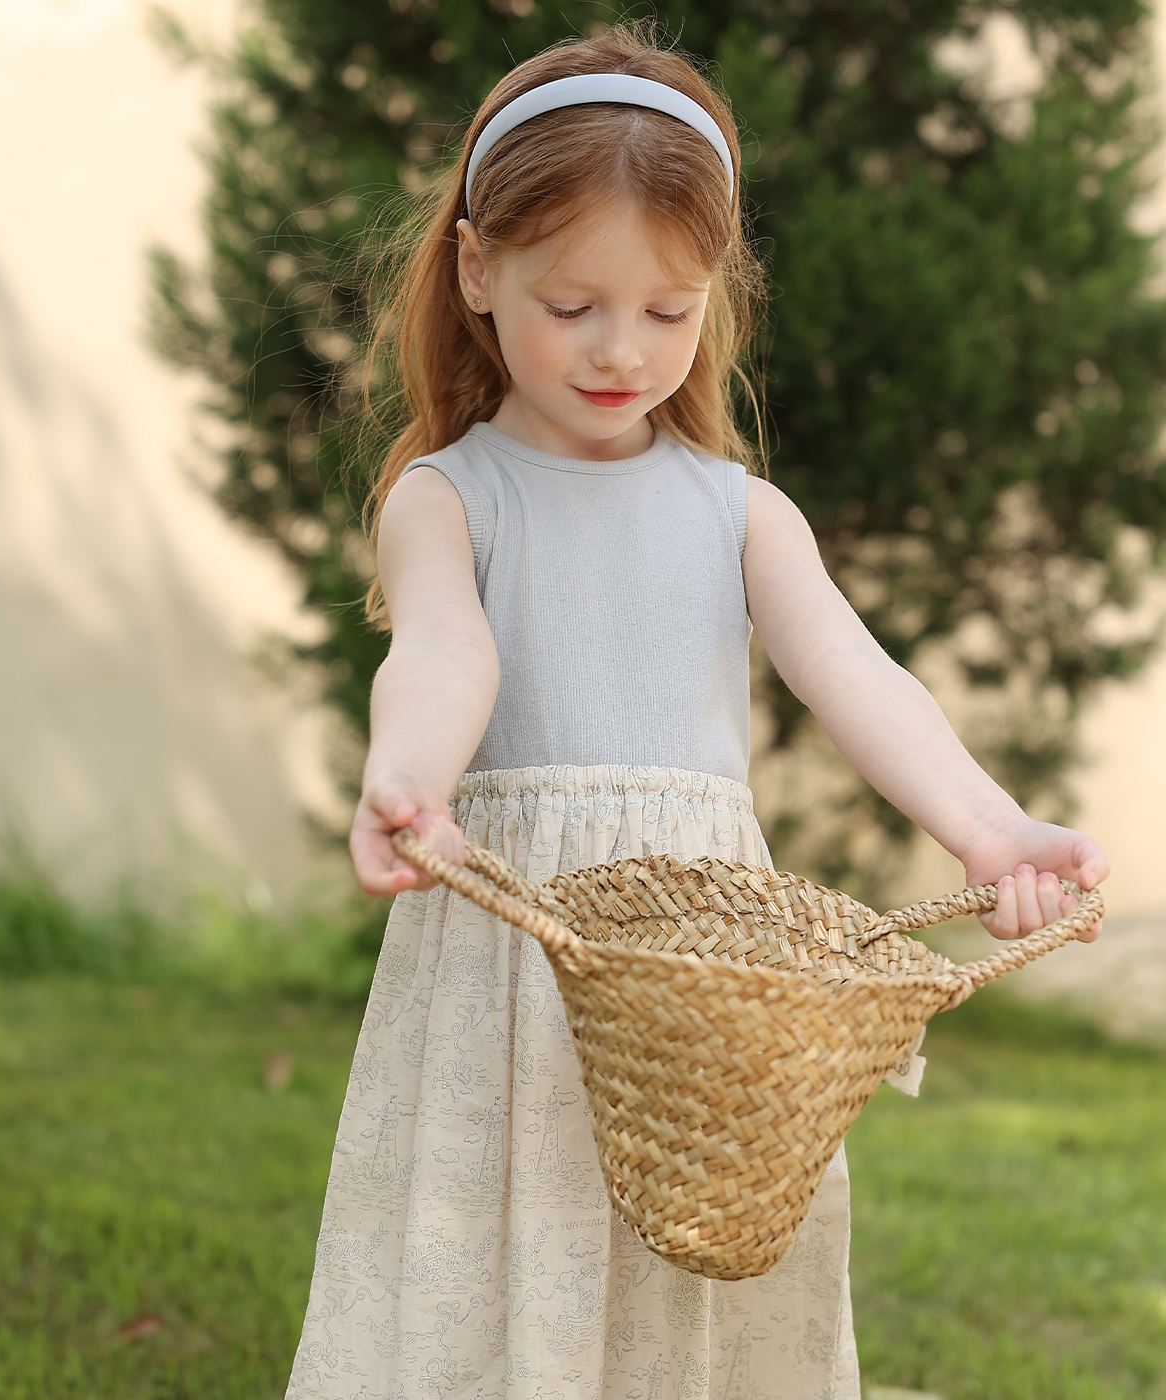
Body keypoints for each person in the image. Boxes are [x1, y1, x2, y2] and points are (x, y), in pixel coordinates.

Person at [286, 22, 1108, 1400]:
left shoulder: (738, 513)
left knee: (693, 1280)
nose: (623, 349)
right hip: (523, 952)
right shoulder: (451, 496)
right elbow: (441, 651)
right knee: (503, 1243)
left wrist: (987, 828)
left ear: (712, 293)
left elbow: (857, 675)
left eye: (669, 311)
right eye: (575, 307)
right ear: (479, 270)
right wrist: (409, 777)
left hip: (704, 978)